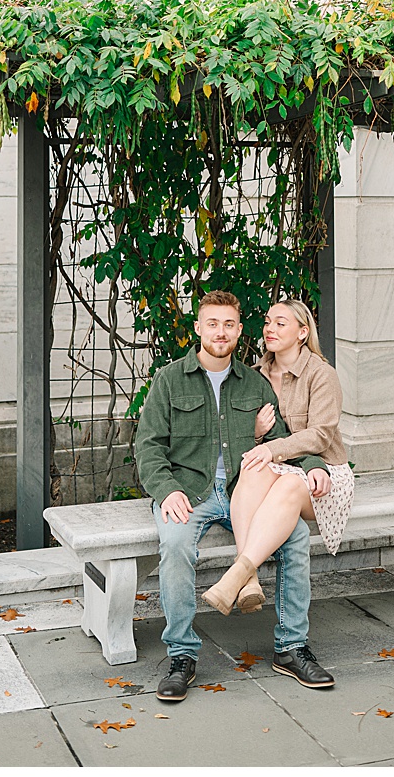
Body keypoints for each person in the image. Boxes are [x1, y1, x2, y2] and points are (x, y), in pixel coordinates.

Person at [133, 289, 335, 700]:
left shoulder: (254, 385)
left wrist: (314, 467)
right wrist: (167, 490)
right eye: (212, 323)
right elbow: (148, 446)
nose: (220, 332)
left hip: (247, 492)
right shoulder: (169, 380)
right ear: (198, 328)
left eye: (229, 324)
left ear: (240, 330)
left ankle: (291, 647)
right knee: (174, 544)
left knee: (295, 538)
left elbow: (284, 440)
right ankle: (181, 656)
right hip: (190, 493)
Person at [203, 299, 355, 637]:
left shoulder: (320, 374)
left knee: (282, 482)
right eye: (268, 322)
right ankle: (248, 579)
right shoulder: (253, 376)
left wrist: (271, 448)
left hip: (324, 473)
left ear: (303, 332)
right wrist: (256, 435)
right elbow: (237, 436)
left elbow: (320, 434)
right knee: (252, 468)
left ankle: (237, 573)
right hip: (276, 468)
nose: (270, 329)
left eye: (280, 324)